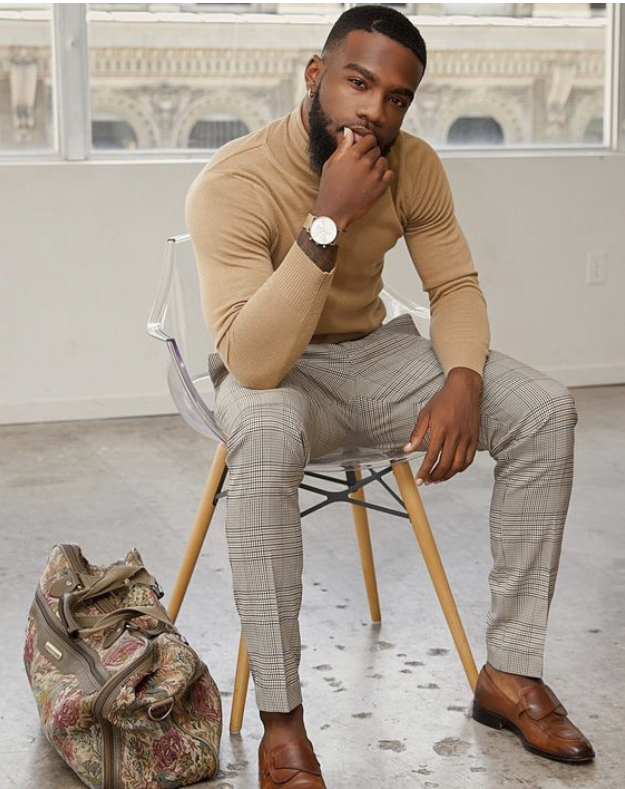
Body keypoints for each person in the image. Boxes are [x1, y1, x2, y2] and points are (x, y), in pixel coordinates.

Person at [185, 5, 595, 787]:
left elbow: (454, 285)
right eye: (357, 83)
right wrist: (328, 218)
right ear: (316, 76)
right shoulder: (232, 181)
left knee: (545, 408)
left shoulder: (413, 164)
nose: (374, 111)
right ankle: (282, 721)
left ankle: (508, 672)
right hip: (276, 374)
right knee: (263, 433)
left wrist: (462, 380)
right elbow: (254, 360)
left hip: (376, 356)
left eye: (396, 97)